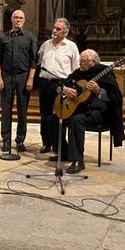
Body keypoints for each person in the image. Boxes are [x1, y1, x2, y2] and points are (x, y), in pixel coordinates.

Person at [47, 49, 125, 174]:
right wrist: (64, 89)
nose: (80, 64)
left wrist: (99, 91)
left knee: (76, 120)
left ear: (93, 63)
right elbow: (60, 84)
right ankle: (63, 152)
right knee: (52, 119)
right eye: (80, 61)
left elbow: (115, 98)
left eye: (83, 61)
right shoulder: (78, 73)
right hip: (79, 109)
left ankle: (78, 160)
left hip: (99, 112)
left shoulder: (105, 73)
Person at [0, 9, 37, 152]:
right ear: (12, 20)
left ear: (24, 21)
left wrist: (30, 78)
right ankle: (6, 140)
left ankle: (20, 140)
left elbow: (33, 61)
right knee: (6, 109)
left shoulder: (29, 38)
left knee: (22, 109)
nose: (18, 20)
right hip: (6, 76)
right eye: (16, 17)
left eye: (21, 18)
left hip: (23, 76)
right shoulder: (4, 38)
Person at [37, 17, 79, 154]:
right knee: (44, 114)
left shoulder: (72, 47)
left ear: (65, 32)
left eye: (58, 29)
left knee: (60, 115)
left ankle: (59, 146)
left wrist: (71, 86)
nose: (54, 31)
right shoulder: (45, 45)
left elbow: (75, 69)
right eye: (54, 28)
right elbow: (39, 62)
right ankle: (46, 143)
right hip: (45, 83)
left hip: (62, 84)